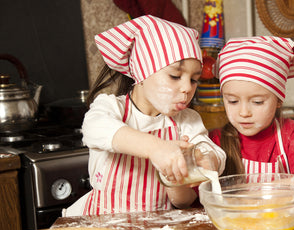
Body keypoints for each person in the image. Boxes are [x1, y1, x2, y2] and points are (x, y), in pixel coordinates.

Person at [65, 15, 226, 216]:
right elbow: (94, 128)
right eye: (175, 76)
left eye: (194, 79)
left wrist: (206, 160)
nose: (187, 88)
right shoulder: (112, 108)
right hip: (103, 227)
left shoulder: (186, 121)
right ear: (142, 72)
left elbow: (213, 157)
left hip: (158, 228)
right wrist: (156, 148)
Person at [209, 36, 294, 201]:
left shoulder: (290, 134)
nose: (244, 112)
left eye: (257, 102)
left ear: (278, 100)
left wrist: (253, 194)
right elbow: (190, 198)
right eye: (233, 101)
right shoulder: (216, 140)